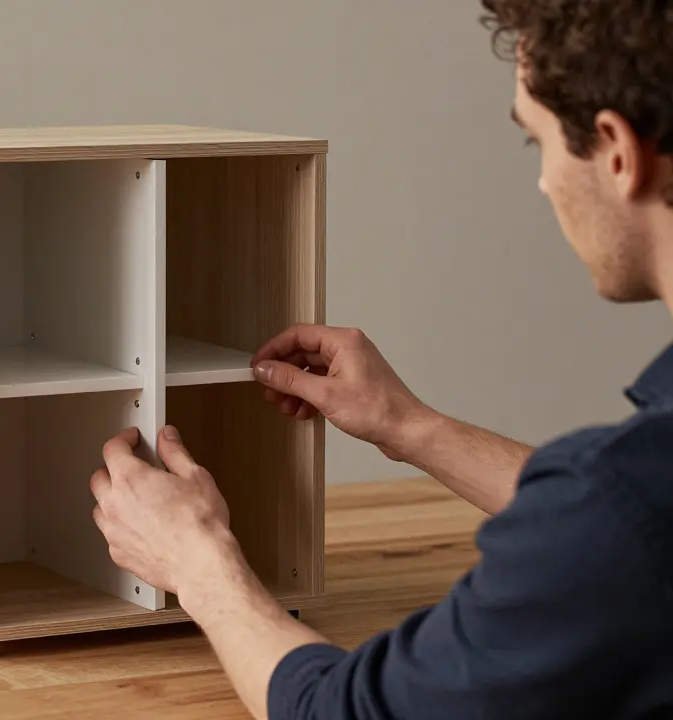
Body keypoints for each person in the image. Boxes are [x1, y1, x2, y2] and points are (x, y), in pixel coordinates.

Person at [87, 2, 673, 718]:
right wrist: (409, 426)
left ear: (617, 152)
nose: (545, 181)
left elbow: (345, 710)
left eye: (537, 141)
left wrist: (199, 564)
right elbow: (622, 526)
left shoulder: (620, 508)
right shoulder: (632, 498)